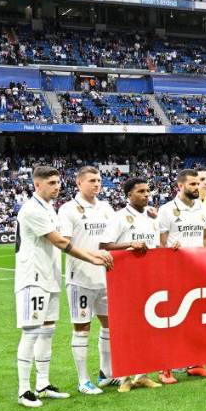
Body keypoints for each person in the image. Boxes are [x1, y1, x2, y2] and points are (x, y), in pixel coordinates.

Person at [15, 166, 113, 408]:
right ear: (38, 185)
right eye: (51, 183)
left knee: (47, 331)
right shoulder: (31, 210)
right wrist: (92, 257)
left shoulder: (48, 208)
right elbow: (59, 241)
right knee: (30, 332)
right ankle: (24, 390)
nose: (57, 186)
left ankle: (43, 384)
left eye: (58, 182)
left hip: (50, 278)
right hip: (33, 279)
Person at [57, 165, 118, 395]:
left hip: (105, 278)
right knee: (82, 328)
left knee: (110, 325)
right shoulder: (68, 209)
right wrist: (92, 257)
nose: (96, 184)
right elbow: (65, 243)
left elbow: (115, 236)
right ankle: (83, 380)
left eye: (99, 180)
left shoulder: (106, 207)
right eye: (91, 180)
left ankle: (106, 373)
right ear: (79, 183)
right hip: (80, 278)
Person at [99, 177, 162, 392]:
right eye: (141, 191)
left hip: (148, 279)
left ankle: (142, 375)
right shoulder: (120, 218)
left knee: (147, 327)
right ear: (129, 195)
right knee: (126, 329)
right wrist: (129, 244)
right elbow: (104, 245)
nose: (146, 194)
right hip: (125, 281)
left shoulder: (153, 218)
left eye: (147, 191)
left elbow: (156, 247)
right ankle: (124, 377)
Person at [156, 169, 206, 380]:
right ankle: (165, 368)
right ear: (180, 186)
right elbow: (160, 242)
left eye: (199, 183)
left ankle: (195, 363)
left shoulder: (201, 209)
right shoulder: (166, 210)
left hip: (198, 270)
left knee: (197, 318)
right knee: (171, 320)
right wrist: (168, 247)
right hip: (174, 271)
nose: (197, 186)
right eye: (193, 184)